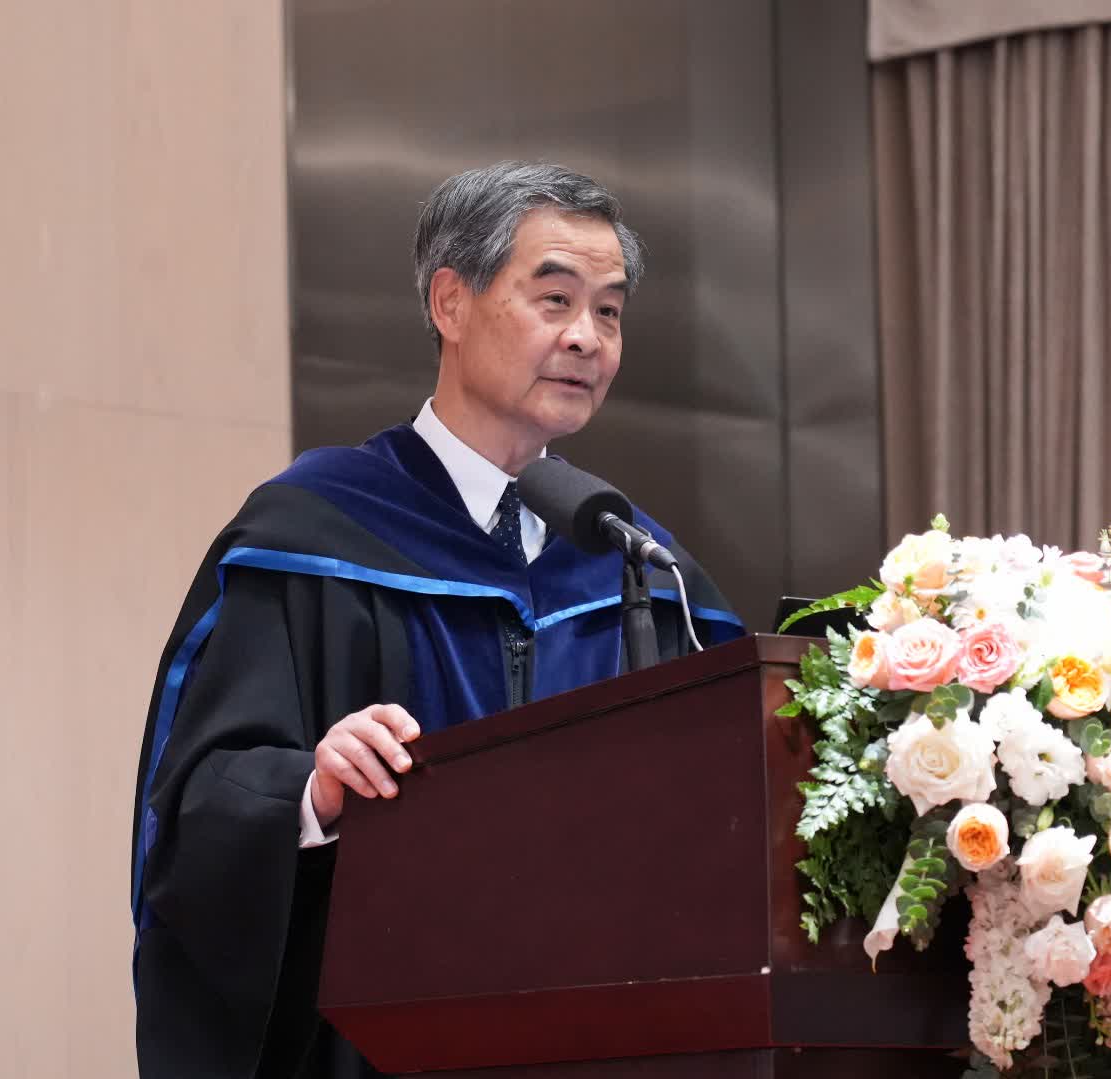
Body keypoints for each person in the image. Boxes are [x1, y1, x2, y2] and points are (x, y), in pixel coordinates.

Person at [129, 162, 744, 1078]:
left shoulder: (639, 568)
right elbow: (198, 807)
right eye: (555, 300)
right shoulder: (311, 534)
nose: (587, 337)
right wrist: (312, 792)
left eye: (609, 311)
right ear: (450, 302)